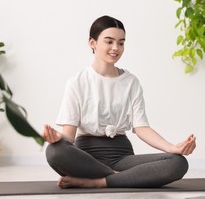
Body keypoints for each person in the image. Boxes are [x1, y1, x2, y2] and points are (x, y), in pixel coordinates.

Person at [43, 15, 196, 189]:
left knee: (178, 163)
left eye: (121, 43)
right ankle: (126, 178)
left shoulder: (131, 81)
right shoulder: (77, 82)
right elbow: (69, 137)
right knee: (54, 151)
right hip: (86, 157)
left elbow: (141, 128)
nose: (115, 48)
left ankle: (98, 181)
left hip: (122, 155)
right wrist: (57, 138)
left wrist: (172, 147)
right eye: (109, 42)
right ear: (92, 43)